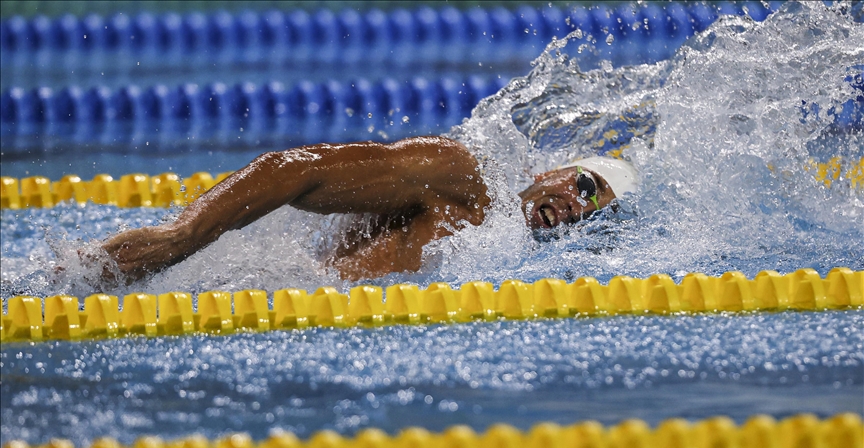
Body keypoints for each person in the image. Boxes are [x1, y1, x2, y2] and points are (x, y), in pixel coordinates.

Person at [100, 135, 637, 282]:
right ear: (551, 173)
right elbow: (293, 169)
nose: (577, 207)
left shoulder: (523, 261)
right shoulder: (461, 177)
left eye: (596, 212)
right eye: (586, 186)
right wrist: (184, 234)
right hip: (270, 296)